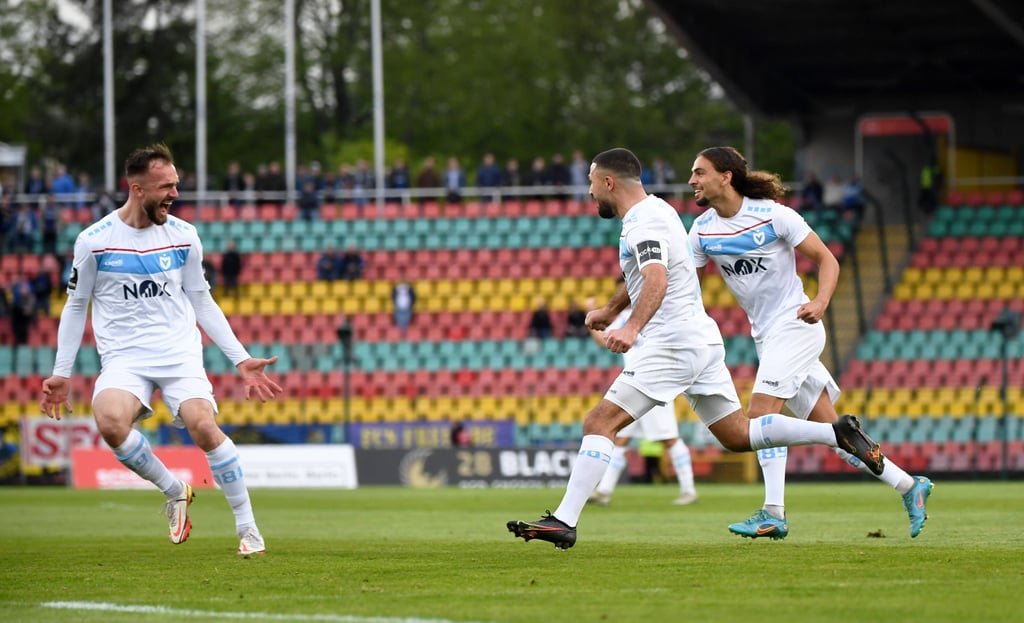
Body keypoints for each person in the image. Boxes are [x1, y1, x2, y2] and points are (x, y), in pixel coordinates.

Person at [507, 148, 885, 550]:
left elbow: (656, 278)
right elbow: (655, 273)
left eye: (591, 182)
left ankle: (564, 520)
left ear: (608, 183)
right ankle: (835, 433)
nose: (588, 192)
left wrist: (632, 328)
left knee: (599, 424)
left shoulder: (641, 225)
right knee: (739, 435)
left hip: (670, 345)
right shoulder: (662, 211)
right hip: (701, 340)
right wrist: (611, 309)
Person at [38, 143, 283, 557]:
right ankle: (175, 491)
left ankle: (248, 528)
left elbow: (202, 299)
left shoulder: (184, 235)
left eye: (176, 184)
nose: (174, 193)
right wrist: (62, 372)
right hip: (124, 358)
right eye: (165, 186)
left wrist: (240, 359)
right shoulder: (94, 241)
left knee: (203, 425)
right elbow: (76, 305)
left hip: (178, 354)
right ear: (137, 189)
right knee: (111, 422)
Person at [687, 146, 933, 539]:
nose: (692, 180)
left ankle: (773, 513)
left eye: (699, 172)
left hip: (797, 325)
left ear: (725, 177)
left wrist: (820, 302)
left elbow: (827, 259)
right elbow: (689, 290)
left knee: (760, 418)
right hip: (766, 336)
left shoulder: (774, 215)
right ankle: (909, 485)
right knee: (837, 435)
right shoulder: (701, 230)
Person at [584, 291, 698, 506]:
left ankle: (689, 489)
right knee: (621, 437)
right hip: (633, 383)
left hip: (655, 380)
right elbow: (603, 339)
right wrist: (590, 311)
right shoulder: (624, 317)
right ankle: (604, 491)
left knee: (669, 437)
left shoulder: (655, 313)